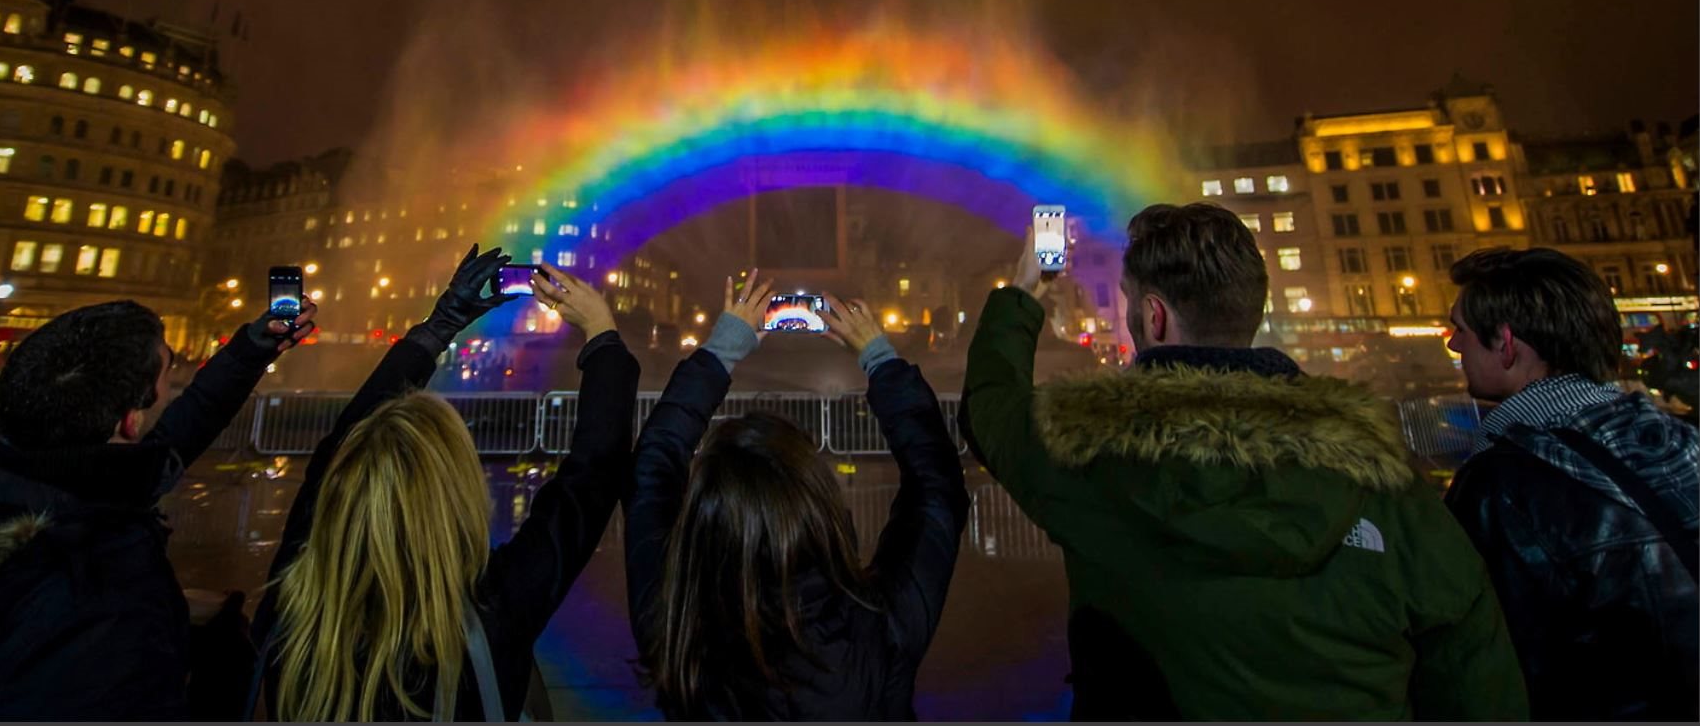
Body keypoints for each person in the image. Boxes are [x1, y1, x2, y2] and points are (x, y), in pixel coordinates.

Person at [961, 203, 1528, 720]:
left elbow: (992, 411)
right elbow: (1473, 667)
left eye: (1131, 300)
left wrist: (1023, 289)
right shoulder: (1384, 472)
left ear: (1154, 317)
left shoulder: (1090, 451)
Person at [252, 246, 639, 721]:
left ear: (340, 490)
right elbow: (593, 476)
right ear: (456, 493)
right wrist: (601, 330)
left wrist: (439, 326)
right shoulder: (491, 612)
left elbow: (337, 449)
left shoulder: (289, 611)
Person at [626, 273, 968, 720]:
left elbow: (652, 467)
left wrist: (722, 349)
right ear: (821, 509)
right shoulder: (881, 629)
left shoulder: (673, 624)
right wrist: (879, 356)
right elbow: (938, 487)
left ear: (703, 516)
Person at [0, 297, 315, 718]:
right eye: (169, 375)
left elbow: (181, 430)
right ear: (130, 422)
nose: (173, 389)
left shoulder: (14, 477)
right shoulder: (103, 592)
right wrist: (219, 665)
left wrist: (250, 350)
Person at [1443, 246, 1698, 720]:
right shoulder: (1682, 442)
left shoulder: (1502, 483)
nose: (1454, 345)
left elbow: (1490, 663)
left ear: (1506, 342)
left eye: (1458, 328)